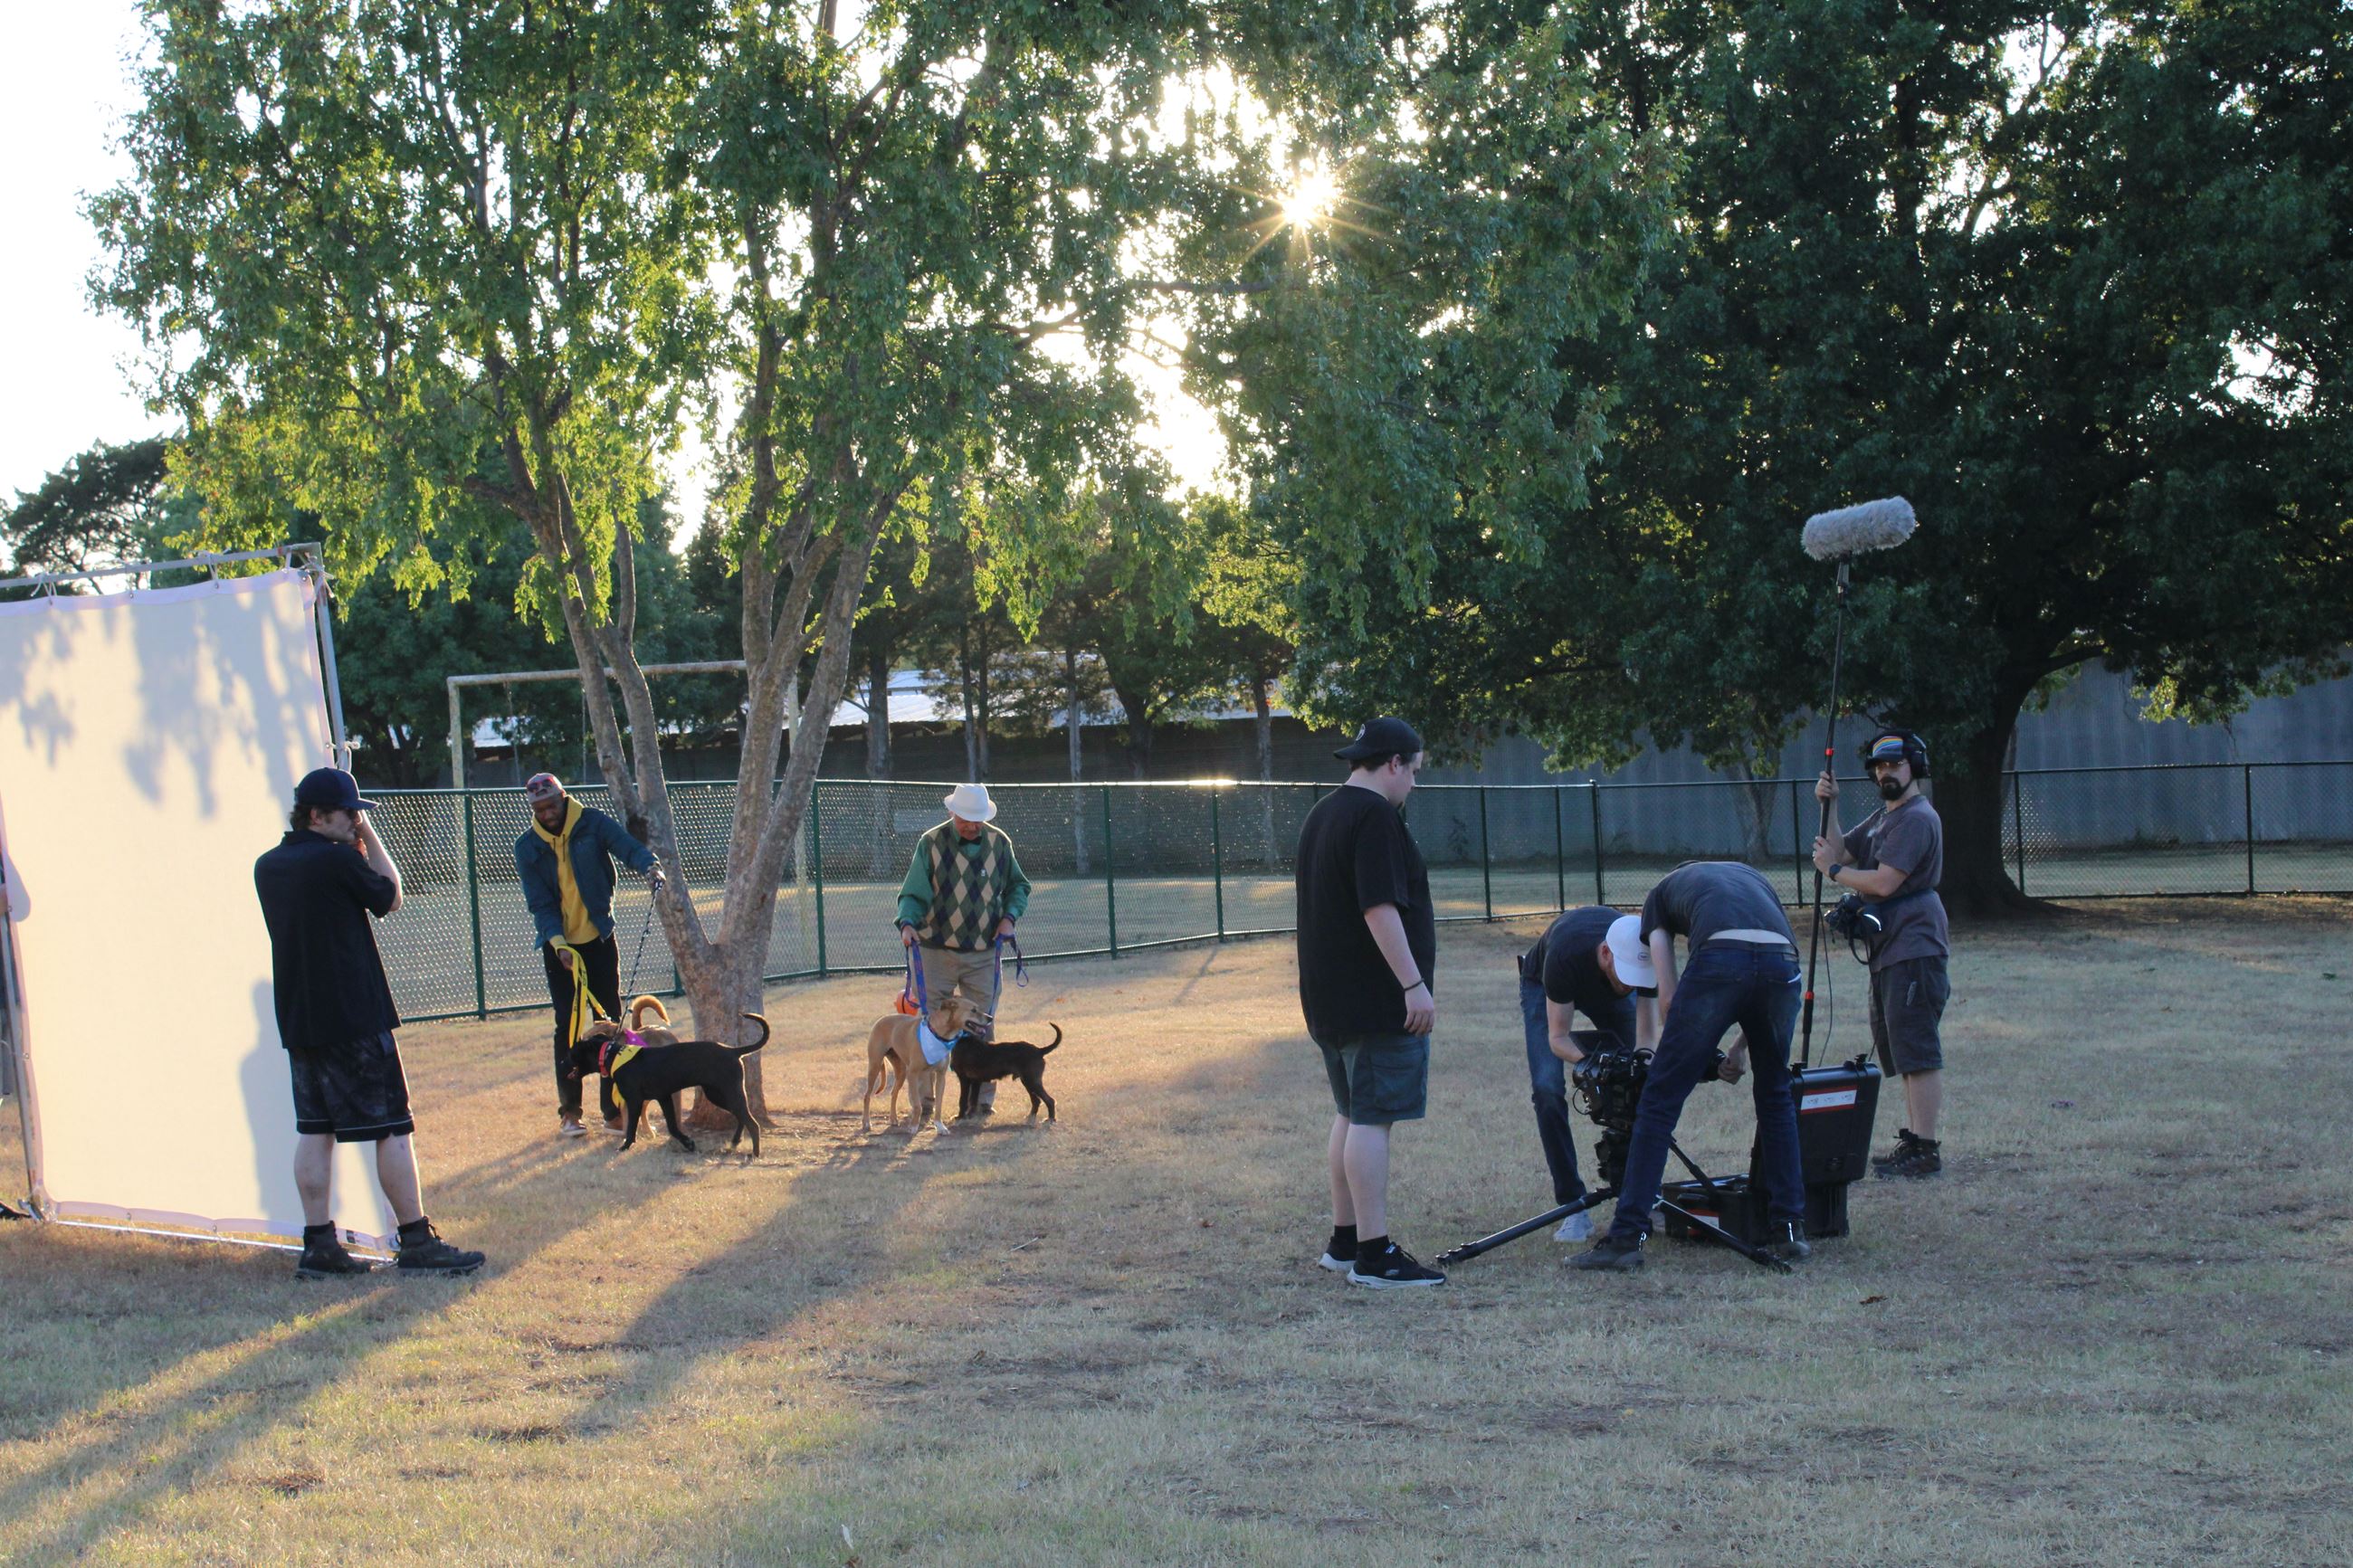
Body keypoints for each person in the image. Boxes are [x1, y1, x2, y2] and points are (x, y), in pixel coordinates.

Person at [253, 767, 484, 1278]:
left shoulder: (267, 866)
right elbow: (389, 895)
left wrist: (352, 828)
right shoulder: (336, 859)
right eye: (349, 814)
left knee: (315, 1130)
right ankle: (417, 1240)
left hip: (301, 1019)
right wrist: (368, 836)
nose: (356, 822)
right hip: (355, 1015)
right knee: (393, 1129)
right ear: (317, 816)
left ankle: (319, 1245)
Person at [1567, 860, 1809, 1272]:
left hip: (1720, 958)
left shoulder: (1659, 897)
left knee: (1659, 1103)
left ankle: (1626, 1236)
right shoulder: (1754, 880)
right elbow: (1763, 960)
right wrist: (1736, 1051)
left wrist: (1688, 1055)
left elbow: (1669, 998)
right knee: (1775, 1095)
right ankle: (1789, 1230)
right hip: (1781, 963)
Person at [1296, 717, 1445, 1288]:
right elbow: (1378, 908)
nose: (1414, 782)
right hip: (1375, 999)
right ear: (1393, 763)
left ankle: (1344, 1240)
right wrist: (1412, 985)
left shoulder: (1324, 813)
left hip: (1329, 999)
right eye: (1414, 770)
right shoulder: (1376, 817)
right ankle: (1374, 1255)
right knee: (1373, 1120)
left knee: (1353, 1114)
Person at [1814, 728, 1951, 1178]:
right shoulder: (1883, 816)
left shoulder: (1915, 818)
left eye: (1894, 764)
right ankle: (1914, 1141)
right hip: (1889, 947)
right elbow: (1840, 850)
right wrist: (1830, 805)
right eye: (1878, 766)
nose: (1885, 772)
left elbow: (1883, 881)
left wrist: (1833, 873)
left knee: (1917, 1048)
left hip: (1914, 943)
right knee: (1901, 1047)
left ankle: (1925, 1148)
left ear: (1915, 766)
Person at [513, 773, 665, 1140]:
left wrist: (649, 865)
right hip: (559, 946)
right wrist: (559, 943)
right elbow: (540, 903)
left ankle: (613, 1112)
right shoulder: (527, 846)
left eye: (551, 804)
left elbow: (626, 845)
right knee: (567, 1025)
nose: (547, 812)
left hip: (598, 938)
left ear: (563, 797)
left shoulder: (591, 824)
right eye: (539, 808)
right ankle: (570, 1113)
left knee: (610, 1024)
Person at [1517, 908, 1659, 1241]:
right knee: (1547, 1090)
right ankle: (1573, 1206)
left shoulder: (1645, 956)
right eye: (1625, 974)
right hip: (1544, 984)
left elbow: (1648, 1041)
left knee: (1641, 1085)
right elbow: (1558, 1039)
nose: (1629, 985)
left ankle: (1640, 1195)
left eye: (1636, 977)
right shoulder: (1565, 956)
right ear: (1607, 954)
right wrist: (1602, 1065)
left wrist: (1639, 1069)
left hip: (1593, 983)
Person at [895, 782, 1032, 1113]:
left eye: (977, 820)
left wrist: (1009, 918)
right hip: (934, 949)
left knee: (981, 1023)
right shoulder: (930, 843)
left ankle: (981, 1103)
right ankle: (926, 1104)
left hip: (983, 951)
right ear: (951, 812)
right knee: (931, 1025)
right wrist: (908, 923)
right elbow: (913, 891)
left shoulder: (1000, 843)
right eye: (965, 819)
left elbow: (1018, 886)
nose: (971, 825)